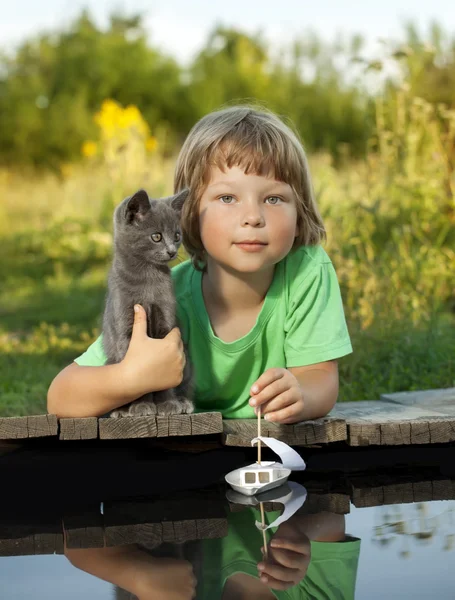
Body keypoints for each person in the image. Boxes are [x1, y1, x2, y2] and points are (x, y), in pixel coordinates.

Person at [47, 105, 352, 422]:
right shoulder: (164, 292)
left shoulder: (307, 271)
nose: (253, 217)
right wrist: (128, 378)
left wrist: (301, 394)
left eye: (273, 198)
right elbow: (61, 396)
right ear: (187, 213)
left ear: (299, 212)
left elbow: (320, 376)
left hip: (269, 453)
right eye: (227, 198)